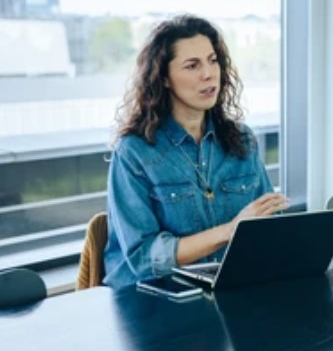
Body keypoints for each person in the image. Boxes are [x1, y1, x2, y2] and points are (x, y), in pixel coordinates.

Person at [104, 15, 288, 287]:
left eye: (213, 60)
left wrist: (317, 242)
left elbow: (268, 222)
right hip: (153, 297)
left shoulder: (242, 139)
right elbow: (144, 258)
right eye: (192, 65)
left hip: (225, 289)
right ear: (164, 78)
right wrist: (229, 231)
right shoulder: (134, 151)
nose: (208, 73)